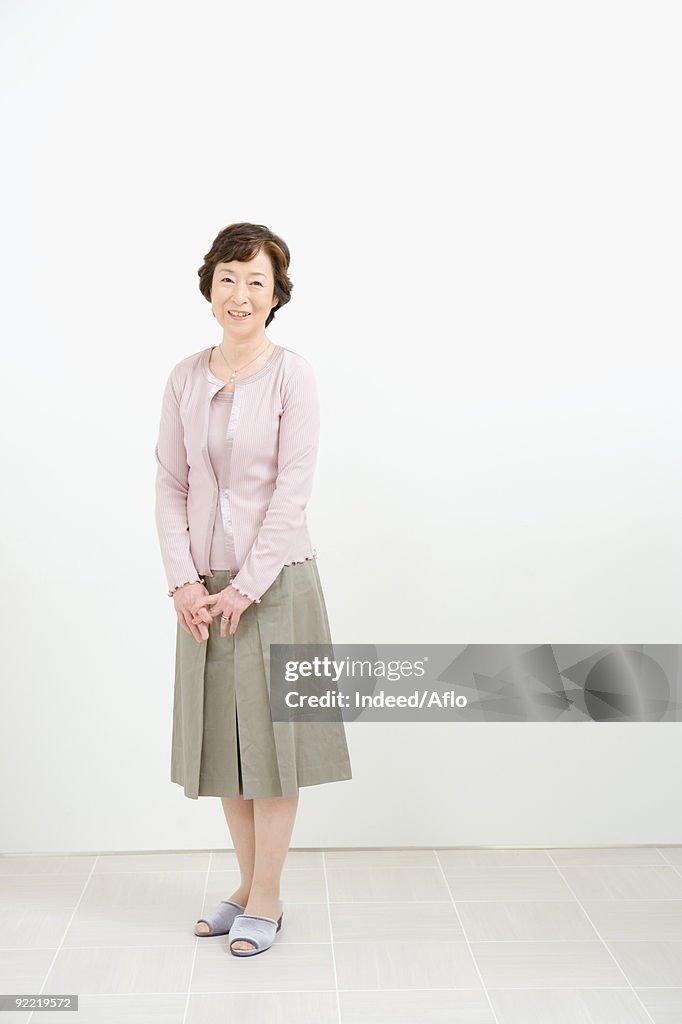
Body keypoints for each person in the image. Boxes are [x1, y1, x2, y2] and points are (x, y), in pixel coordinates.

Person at [154, 222, 352, 956]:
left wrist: (247, 586)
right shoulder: (183, 376)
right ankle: (245, 884)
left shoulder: (292, 375)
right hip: (203, 592)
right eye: (229, 278)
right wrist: (183, 580)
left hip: (277, 587)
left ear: (276, 298)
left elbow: (291, 494)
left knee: (273, 749)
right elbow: (170, 484)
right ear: (210, 285)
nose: (240, 294)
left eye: (256, 282)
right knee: (224, 749)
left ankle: (266, 895)